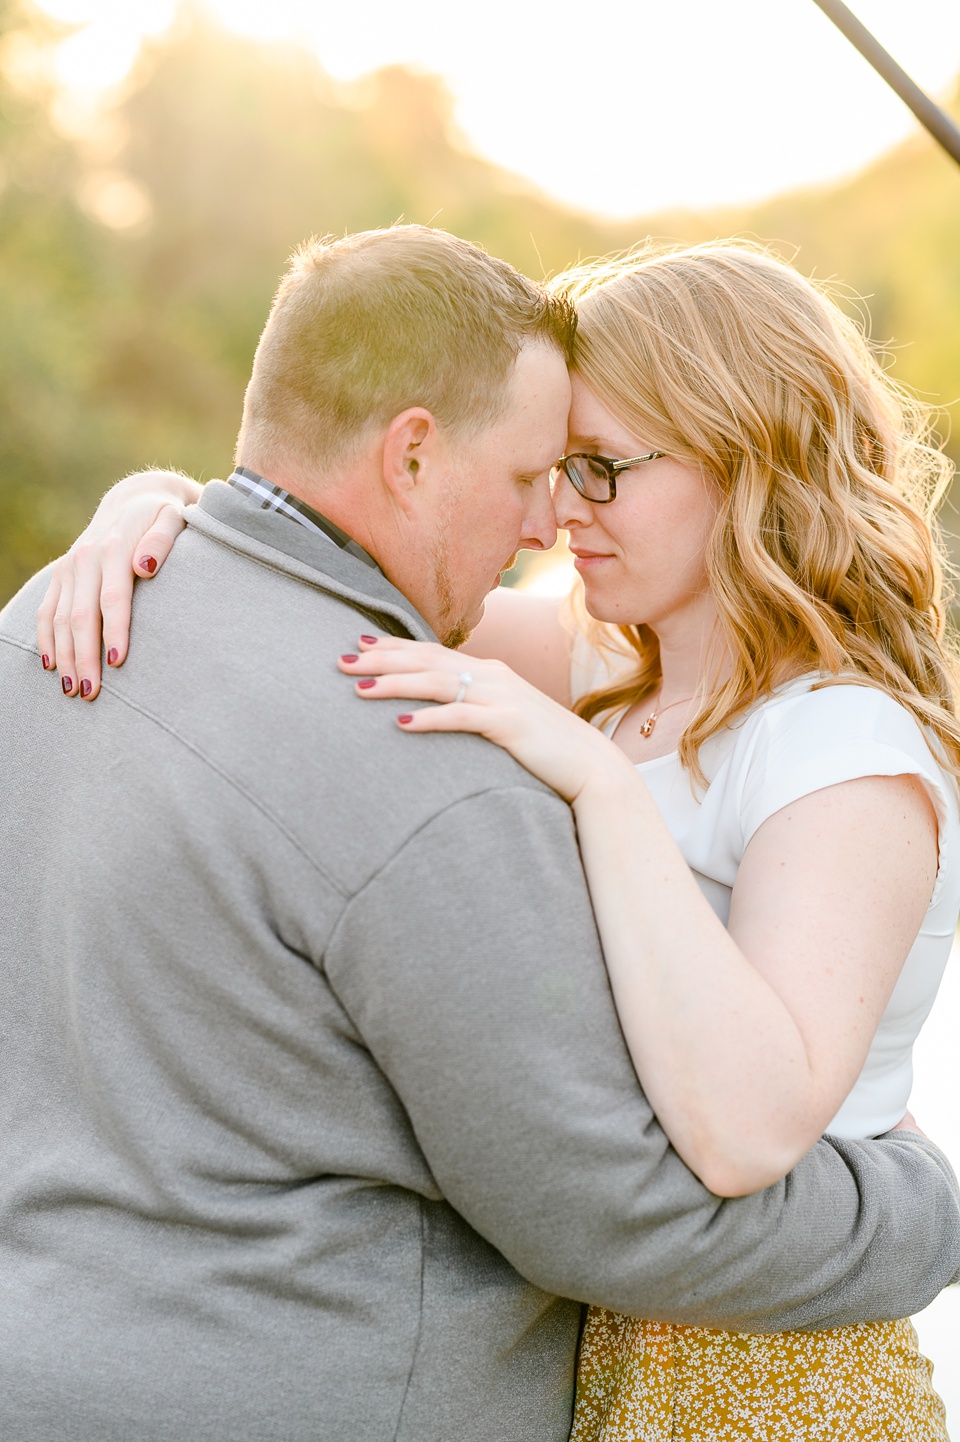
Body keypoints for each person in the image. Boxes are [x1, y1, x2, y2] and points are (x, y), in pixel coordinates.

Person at [13, 229, 959, 1441]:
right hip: (613, 1349)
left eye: (601, 468)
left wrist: (600, 793)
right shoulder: (608, 662)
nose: (559, 515)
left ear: (746, 458)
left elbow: (749, 1129)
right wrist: (149, 513)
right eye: (556, 467)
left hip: (766, 1373)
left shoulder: (842, 751)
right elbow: (313, 559)